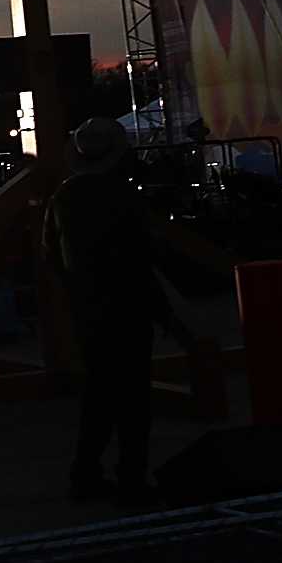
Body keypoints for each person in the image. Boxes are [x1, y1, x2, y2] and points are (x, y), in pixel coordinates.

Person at [46, 116, 195, 503]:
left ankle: (86, 472)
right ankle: (131, 475)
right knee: (132, 399)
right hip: (126, 308)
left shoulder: (62, 198)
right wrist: (167, 316)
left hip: (89, 311)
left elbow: (52, 256)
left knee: (98, 394)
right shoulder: (122, 197)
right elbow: (139, 260)